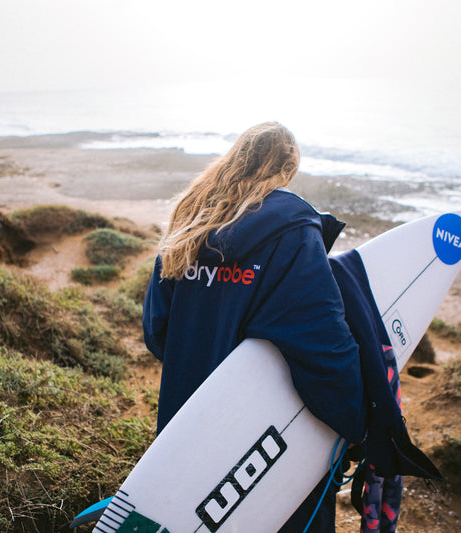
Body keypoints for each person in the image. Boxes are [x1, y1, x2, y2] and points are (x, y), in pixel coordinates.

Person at [142, 121, 366, 531]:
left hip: (187, 413)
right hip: (268, 432)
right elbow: (323, 343)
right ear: (285, 169)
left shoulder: (188, 221)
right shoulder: (293, 232)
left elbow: (157, 330)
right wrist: (353, 420)